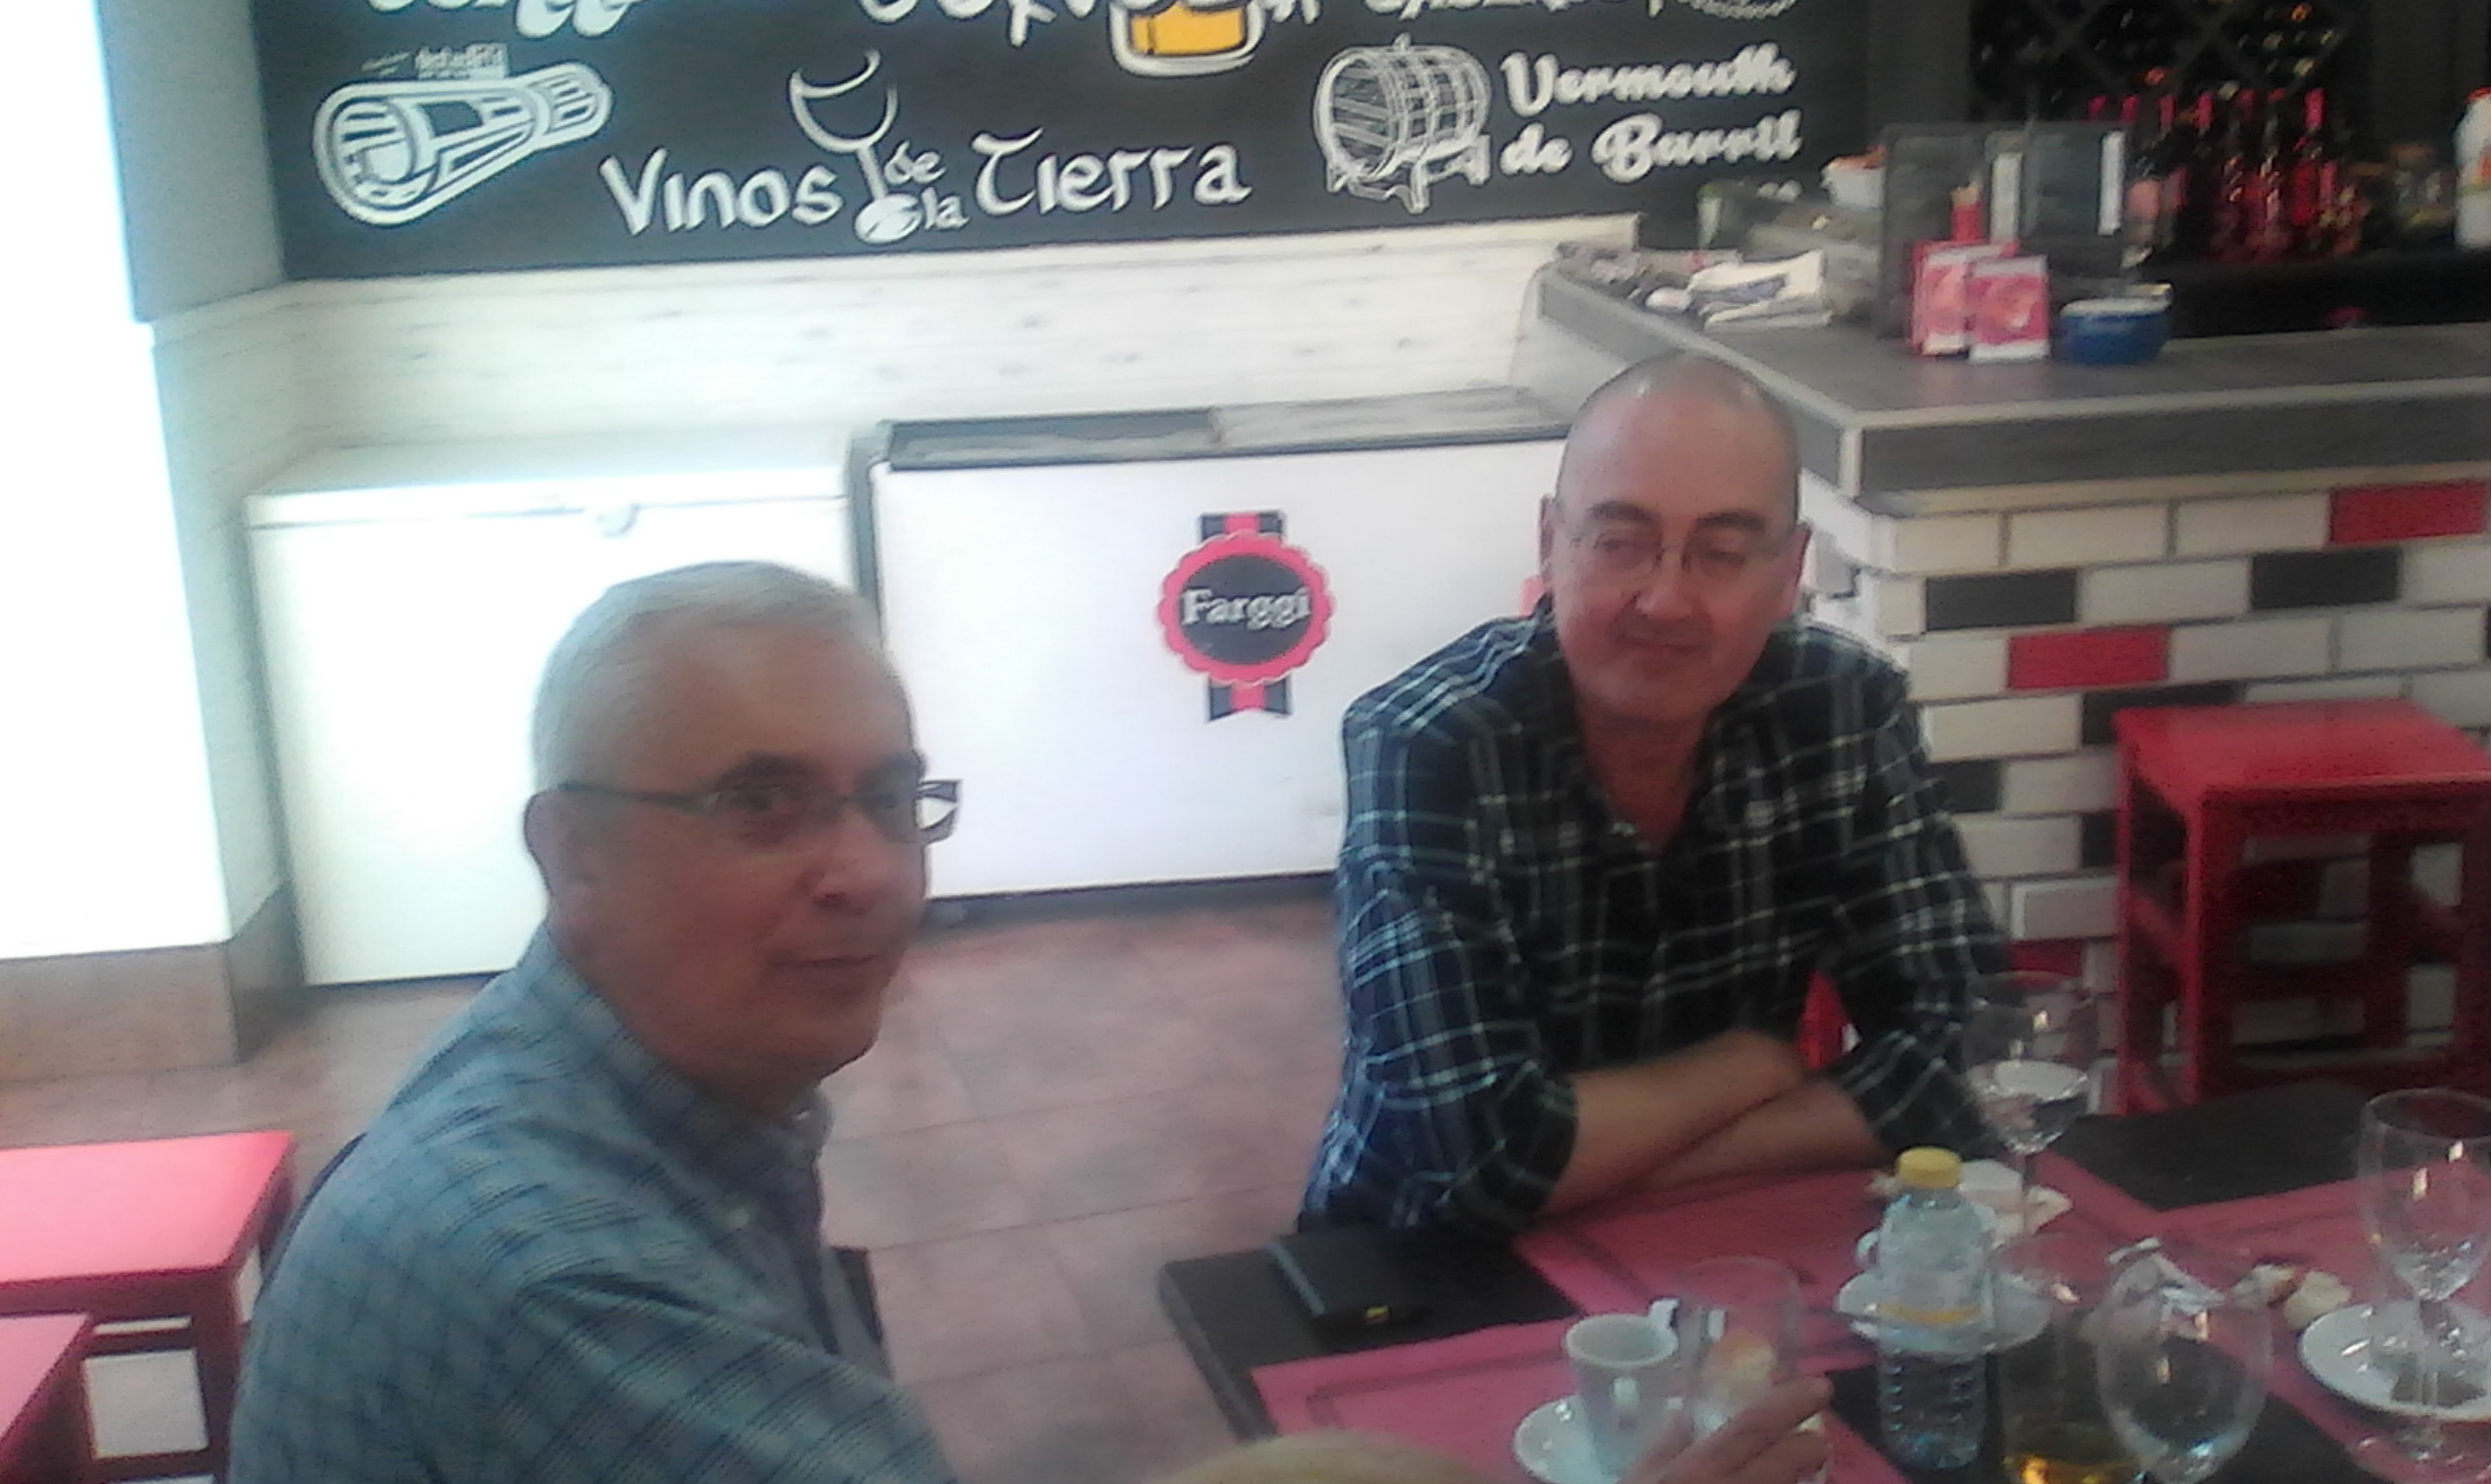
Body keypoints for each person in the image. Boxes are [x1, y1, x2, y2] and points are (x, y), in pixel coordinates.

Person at [231, 560, 1831, 1484]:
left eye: (888, 798)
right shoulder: (558, 1276)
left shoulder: (631, 1107)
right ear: (570, 852)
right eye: (760, 803)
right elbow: (1489, 1143)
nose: (865, 870)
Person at [1303, 356, 2002, 1238]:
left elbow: (1978, 1050)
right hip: (1427, 1260)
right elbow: (1473, 1155)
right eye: (1620, 543)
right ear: (1550, 544)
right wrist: (1754, 1064)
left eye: (1721, 554)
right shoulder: (1434, 742)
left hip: (1714, 1241)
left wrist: (1618, 1168)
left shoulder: (1843, 707)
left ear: (1787, 573)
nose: (1666, 601)